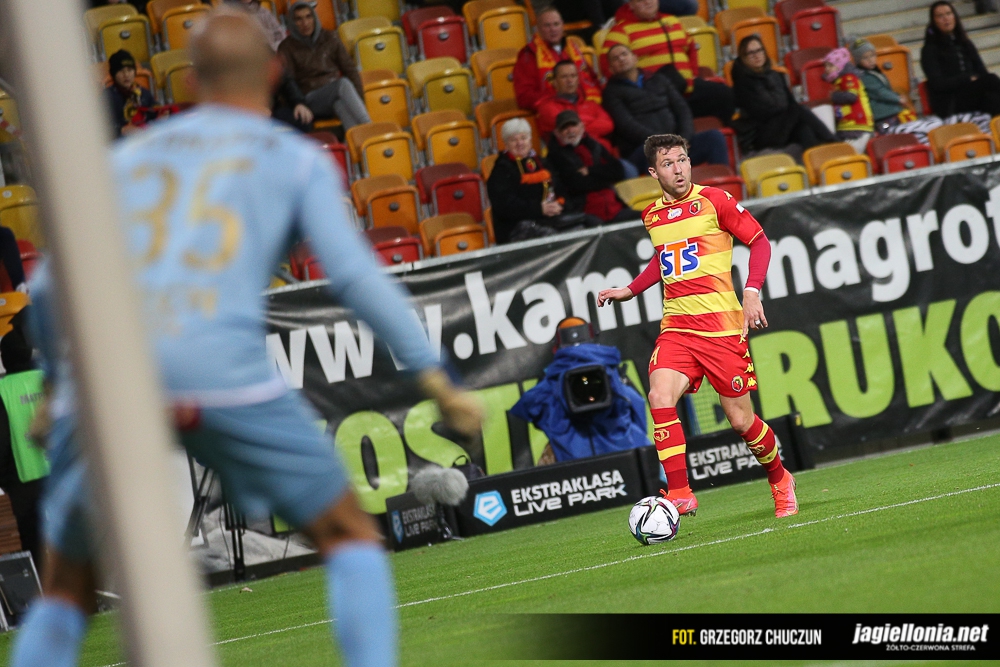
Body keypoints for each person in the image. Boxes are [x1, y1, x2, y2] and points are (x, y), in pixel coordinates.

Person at [9, 10, 482, 667]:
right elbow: (354, 277)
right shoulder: (293, 159)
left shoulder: (125, 160)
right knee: (348, 533)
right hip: (218, 372)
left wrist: (55, 388)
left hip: (111, 378)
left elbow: (49, 286)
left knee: (65, 589)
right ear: (275, 71)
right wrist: (438, 380)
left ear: (191, 80)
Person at [596, 133, 798, 519]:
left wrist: (751, 292)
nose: (678, 169)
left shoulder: (715, 201)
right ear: (653, 172)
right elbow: (665, 257)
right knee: (659, 396)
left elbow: (760, 242)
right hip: (677, 327)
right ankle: (680, 493)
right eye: (668, 163)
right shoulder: (651, 215)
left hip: (721, 329)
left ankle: (779, 477)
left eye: (683, 160)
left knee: (740, 420)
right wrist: (631, 290)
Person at [600, 0, 735, 125]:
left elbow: (691, 48)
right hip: (655, 99)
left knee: (724, 95)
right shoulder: (620, 31)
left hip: (686, 90)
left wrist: (692, 76)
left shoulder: (672, 21)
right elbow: (609, 67)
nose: (648, 2)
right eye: (640, 0)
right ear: (631, 5)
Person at [602, 44, 729, 174]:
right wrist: (662, 143)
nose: (621, 59)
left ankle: (722, 183)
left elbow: (682, 110)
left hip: (677, 143)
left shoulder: (659, 79)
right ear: (611, 68)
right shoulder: (610, 92)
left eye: (624, 54)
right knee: (652, 154)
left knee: (714, 137)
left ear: (635, 58)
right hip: (644, 148)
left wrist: (684, 139)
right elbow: (627, 125)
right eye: (616, 58)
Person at [486, 118, 601, 244]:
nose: (520, 143)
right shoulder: (502, 170)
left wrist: (559, 204)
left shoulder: (542, 163)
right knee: (552, 236)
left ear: (530, 140)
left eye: (523, 138)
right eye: (514, 140)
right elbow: (505, 206)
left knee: (592, 223)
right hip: (517, 226)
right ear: (506, 144)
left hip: (549, 218)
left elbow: (560, 189)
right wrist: (539, 209)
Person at [731, 35, 836, 154]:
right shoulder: (742, 83)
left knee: (803, 129)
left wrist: (787, 112)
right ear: (743, 57)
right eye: (751, 53)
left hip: (783, 127)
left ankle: (820, 159)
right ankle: (833, 141)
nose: (757, 55)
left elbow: (790, 102)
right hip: (761, 134)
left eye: (759, 50)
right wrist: (786, 111)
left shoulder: (776, 76)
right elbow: (762, 113)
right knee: (799, 110)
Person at [277, 1, 370, 128]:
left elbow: (350, 69)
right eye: (299, 19)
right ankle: (369, 125)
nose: (305, 23)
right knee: (342, 84)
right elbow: (288, 82)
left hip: (335, 95)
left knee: (339, 104)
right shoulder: (286, 47)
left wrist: (359, 101)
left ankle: (358, 137)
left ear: (314, 18)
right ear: (292, 23)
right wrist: (298, 104)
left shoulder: (330, 37)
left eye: (308, 17)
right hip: (309, 99)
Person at [546, 110, 639, 223]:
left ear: (582, 126)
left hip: (614, 208)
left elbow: (618, 171)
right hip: (585, 214)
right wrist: (605, 176)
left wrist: (590, 171)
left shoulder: (595, 146)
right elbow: (576, 184)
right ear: (557, 133)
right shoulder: (554, 156)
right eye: (564, 128)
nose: (570, 131)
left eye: (573, 125)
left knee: (647, 218)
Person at [513, 7, 603, 111]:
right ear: (538, 28)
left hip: (587, 106)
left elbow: (592, 79)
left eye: (556, 24)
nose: (553, 29)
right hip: (555, 111)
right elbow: (524, 97)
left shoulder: (573, 47)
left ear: (562, 25)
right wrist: (558, 98)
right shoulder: (529, 55)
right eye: (547, 25)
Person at [921, 0, 1000, 118]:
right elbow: (937, 84)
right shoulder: (930, 49)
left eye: (948, 14)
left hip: (971, 94)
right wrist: (967, 79)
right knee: (991, 79)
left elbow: (982, 71)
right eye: (940, 16)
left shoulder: (965, 43)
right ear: (934, 21)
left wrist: (974, 80)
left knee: (993, 100)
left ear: (954, 16)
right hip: (950, 101)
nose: (946, 19)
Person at [536, 60, 615, 150]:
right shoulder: (547, 107)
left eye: (573, 76)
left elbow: (608, 125)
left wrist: (578, 128)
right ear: (555, 82)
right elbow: (567, 131)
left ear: (578, 80)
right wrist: (590, 123)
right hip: (570, 154)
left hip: (604, 152)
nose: (570, 81)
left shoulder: (591, 104)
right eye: (564, 77)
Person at [850, 39, 917, 135]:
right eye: (865, 58)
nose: (870, 60)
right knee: (892, 135)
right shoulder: (864, 76)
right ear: (858, 61)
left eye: (872, 55)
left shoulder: (874, 71)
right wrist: (897, 98)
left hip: (890, 112)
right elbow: (880, 92)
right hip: (882, 115)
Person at [822, 47, 874, 153]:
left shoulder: (848, 78)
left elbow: (851, 96)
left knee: (851, 154)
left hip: (858, 126)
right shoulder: (838, 81)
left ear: (840, 66)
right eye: (825, 66)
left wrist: (833, 96)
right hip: (848, 125)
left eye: (830, 65)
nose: (826, 69)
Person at [104, 49, 155, 138]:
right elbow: (100, 128)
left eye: (130, 70)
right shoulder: (106, 97)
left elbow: (153, 114)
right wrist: (121, 130)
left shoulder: (143, 93)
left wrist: (162, 115)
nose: (126, 75)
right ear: (113, 75)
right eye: (121, 71)